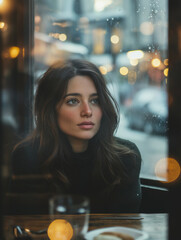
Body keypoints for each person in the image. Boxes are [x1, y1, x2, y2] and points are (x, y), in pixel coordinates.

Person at [11, 59, 142, 213]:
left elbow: (126, 227)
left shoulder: (126, 156)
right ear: (50, 109)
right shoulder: (27, 156)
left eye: (95, 100)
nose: (87, 111)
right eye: (73, 101)